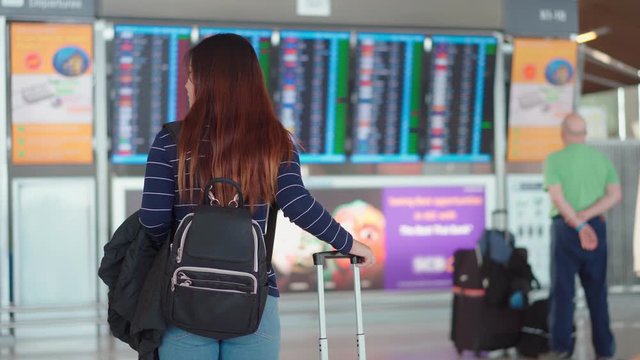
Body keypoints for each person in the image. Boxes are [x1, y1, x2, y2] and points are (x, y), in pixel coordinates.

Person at [138, 34, 375, 360]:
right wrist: (350, 243)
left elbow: (153, 220)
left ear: (210, 82)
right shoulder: (274, 142)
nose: (187, 86)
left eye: (192, 76)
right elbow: (297, 203)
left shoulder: (172, 141)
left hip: (185, 294)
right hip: (255, 295)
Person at [543, 113, 621, 360]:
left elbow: (557, 197)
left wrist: (577, 223)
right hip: (596, 226)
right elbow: (614, 195)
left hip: (567, 229)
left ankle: (561, 348)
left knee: (563, 291)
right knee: (597, 292)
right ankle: (605, 350)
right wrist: (588, 216)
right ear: (584, 134)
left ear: (563, 133)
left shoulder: (553, 160)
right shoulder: (601, 160)